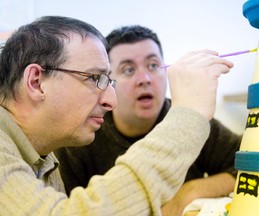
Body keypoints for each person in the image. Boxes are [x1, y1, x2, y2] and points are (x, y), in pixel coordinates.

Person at [0, 16, 233, 215]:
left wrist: (190, 191)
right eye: (94, 78)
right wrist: (187, 119)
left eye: (153, 66)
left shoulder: (46, 153)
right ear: (36, 81)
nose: (110, 101)